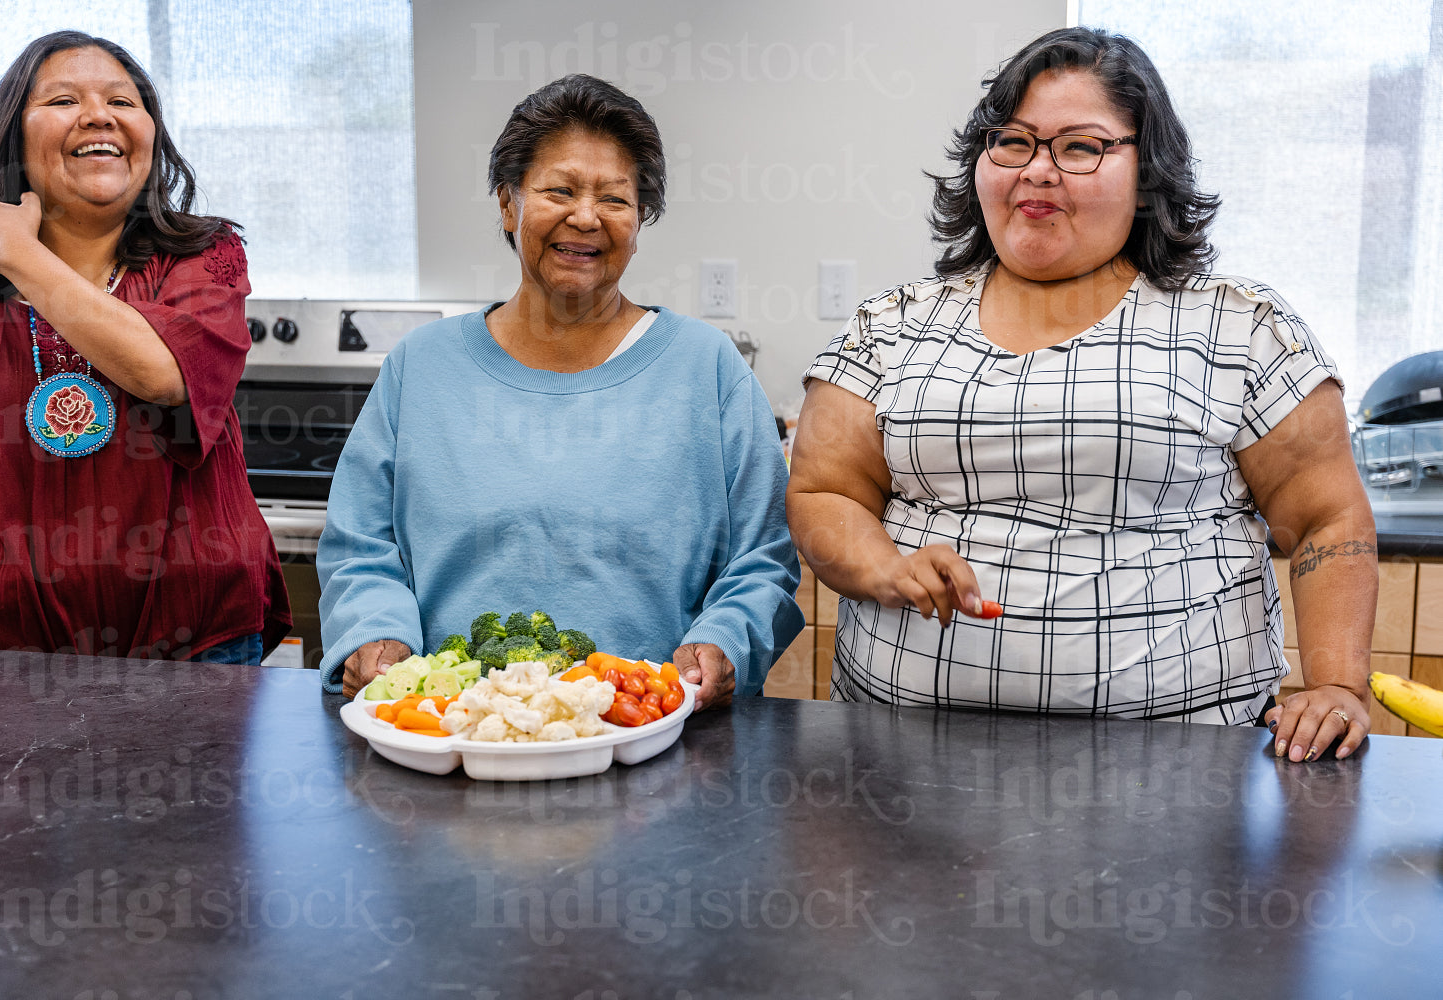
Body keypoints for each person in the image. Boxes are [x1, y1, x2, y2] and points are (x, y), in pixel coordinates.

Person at [787, 27, 1377, 763]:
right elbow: (824, 493)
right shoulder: (891, 324)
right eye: (1014, 142)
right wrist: (883, 565)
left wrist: (1339, 685)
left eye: (1079, 147)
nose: (1038, 170)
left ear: (1148, 171)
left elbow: (1325, 517)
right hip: (906, 766)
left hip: (1178, 768)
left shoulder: (1239, 325)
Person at [318, 74, 802, 708]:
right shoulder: (421, 367)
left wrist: (724, 641)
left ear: (640, 217)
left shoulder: (705, 367)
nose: (585, 216)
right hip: (451, 730)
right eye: (560, 190)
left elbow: (763, 556)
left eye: (615, 198)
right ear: (506, 204)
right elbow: (360, 545)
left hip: (647, 731)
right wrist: (375, 633)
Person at [0, 31, 289, 663]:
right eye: (63, 100)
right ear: (14, 137)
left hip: (192, 641)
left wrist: (19, 255)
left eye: (123, 102)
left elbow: (161, 373)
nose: (99, 114)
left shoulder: (205, 254)